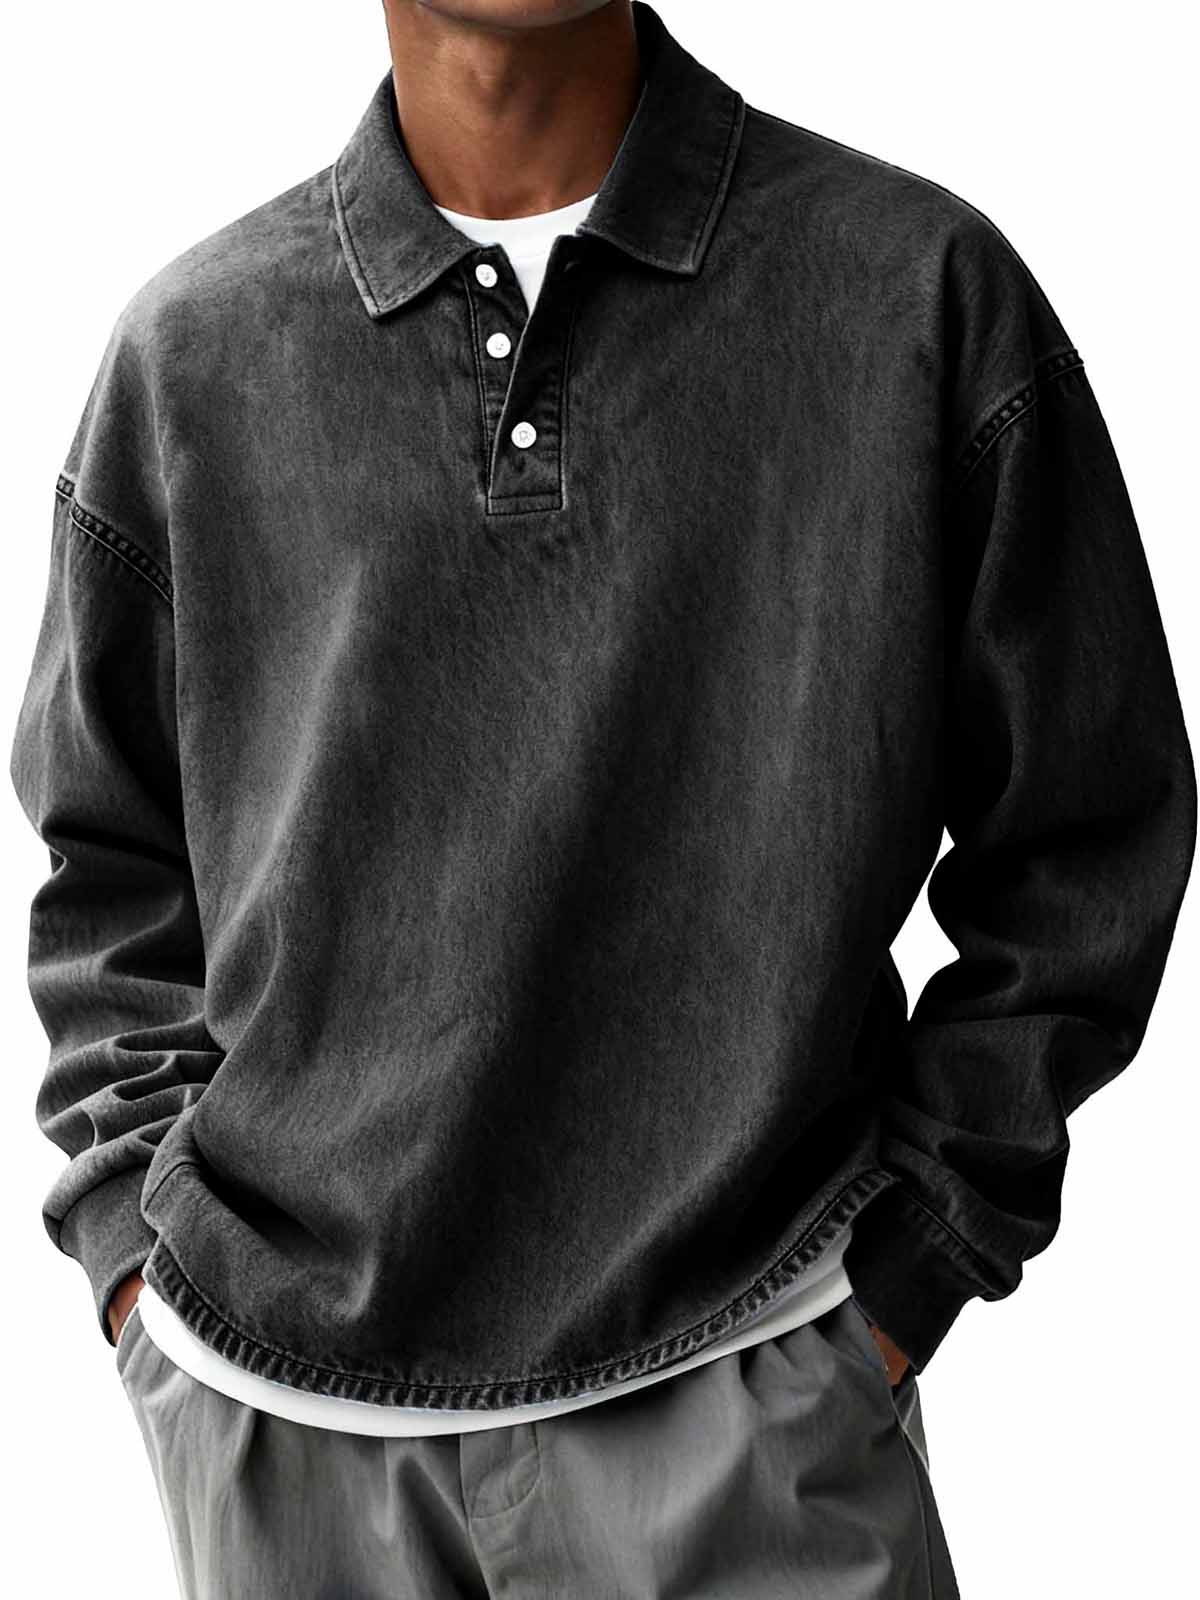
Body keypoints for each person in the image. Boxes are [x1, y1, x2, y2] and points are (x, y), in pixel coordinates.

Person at [10, 1, 1195, 1595]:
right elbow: (106, 866)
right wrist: (139, 1280)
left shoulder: (913, 293)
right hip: (282, 1432)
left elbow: (1086, 824)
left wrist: (917, 1262)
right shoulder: (190, 354)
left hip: (756, 1387)